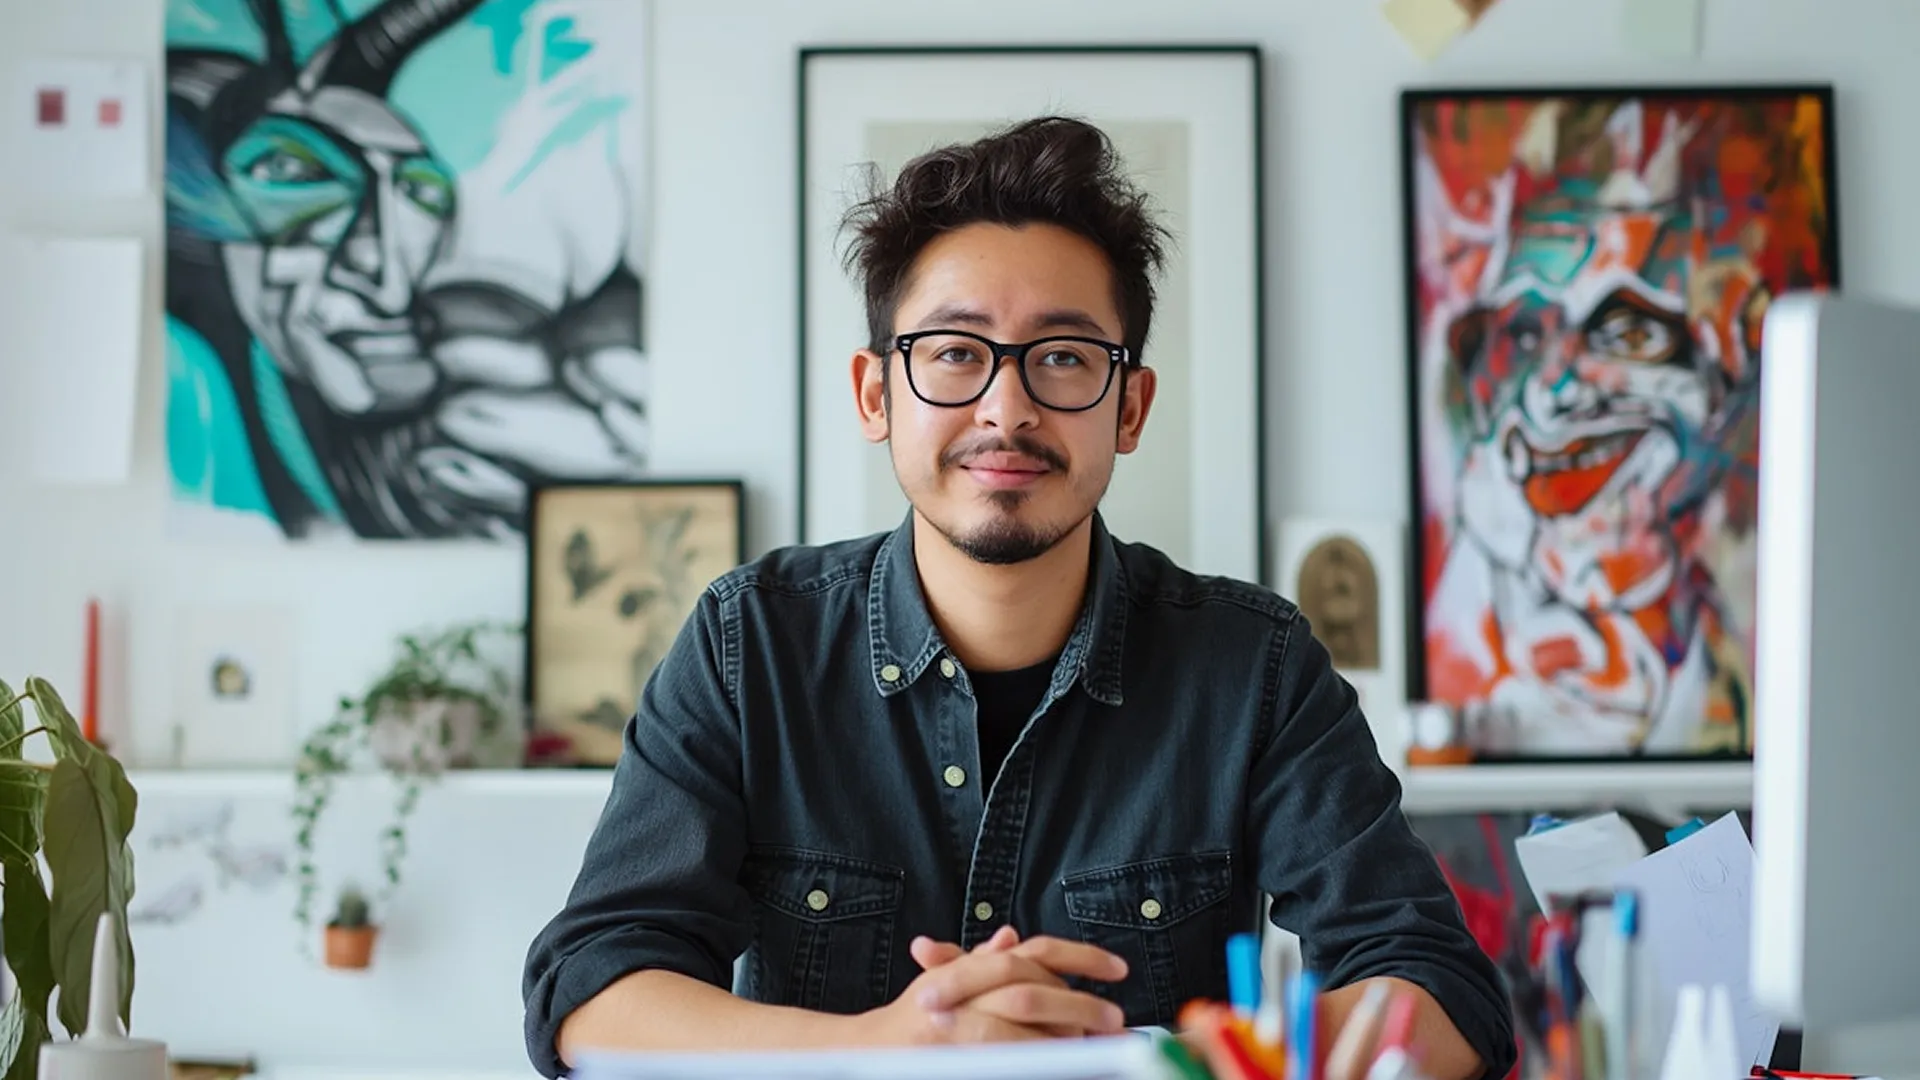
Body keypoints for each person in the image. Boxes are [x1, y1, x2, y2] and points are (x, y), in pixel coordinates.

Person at [521, 116, 1516, 1079]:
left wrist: (1142, 1066)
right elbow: (592, 993)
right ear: (877, 395)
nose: (1008, 407)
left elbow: (1435, 985)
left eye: (1065, 358)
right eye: (956, 353)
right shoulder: (751, 643)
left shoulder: (1252, 665)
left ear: (1129, 406)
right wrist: (894, 1048)